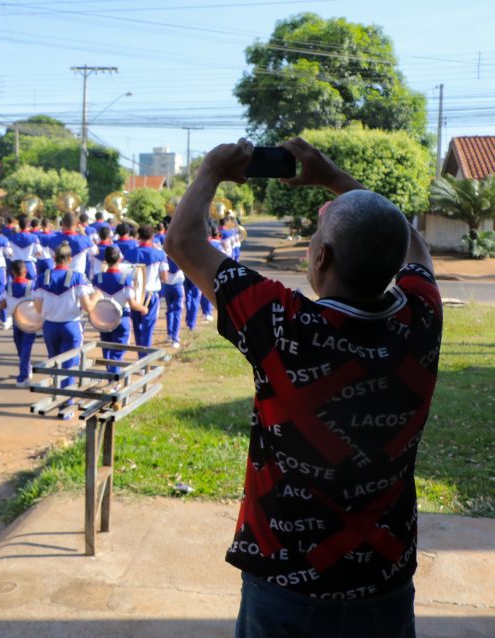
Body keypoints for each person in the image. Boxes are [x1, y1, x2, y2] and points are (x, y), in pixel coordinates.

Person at [165, 137, 442, 637]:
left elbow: (184, 243)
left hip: (287, 581)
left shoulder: (283, 323)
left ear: (320, 259)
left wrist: (210, 170)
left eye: (316, 235)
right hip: (387, 577)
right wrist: (336, 178)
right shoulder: (423, 316)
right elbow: (413, 245)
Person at [32, 242, 103, 416]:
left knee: (55, 364)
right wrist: (97, 297)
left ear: (54, 258)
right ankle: (66, 406)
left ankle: (57, 397)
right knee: (69, 367)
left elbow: (38, 307)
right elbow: (87, 307)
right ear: (70, 259)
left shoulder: (42, 278)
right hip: (71, 325)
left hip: (50, 326)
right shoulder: (77, 277)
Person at [91, 246, 148, 373]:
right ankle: (113, 379)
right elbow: (132, 303)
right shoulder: (125, 279)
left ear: (105, 259)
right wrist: (143, 308)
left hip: (103, 317)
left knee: (106, 347)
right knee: (118, 350)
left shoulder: (98, 278)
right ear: (120, 260)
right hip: (121, 318)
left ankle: (110, 374)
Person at [128, 224, 169, 352]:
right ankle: (145, 356)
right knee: (148, 327)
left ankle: (141, 354)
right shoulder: (159, 254)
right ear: (152, 237)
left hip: (134, 294)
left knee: (137, 326)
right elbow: (165, 277)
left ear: (138, 236)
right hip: (151, 295)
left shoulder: (129, 253)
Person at [2, 260, 37, 388]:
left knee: (20, 346)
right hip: (29, 320)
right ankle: (25, 372)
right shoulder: (31, 285)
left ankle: (23, 374)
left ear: (12, 272)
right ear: (25, 272)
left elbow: (2, 304)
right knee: (26, 347)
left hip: (16, 321)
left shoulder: (8, 286)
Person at [161, 253, 186, 349]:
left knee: (170, 310)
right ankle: (175, 338)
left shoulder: (164, 258)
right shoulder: (179, 257)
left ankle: (169, 334)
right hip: (178, 286)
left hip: (167, 286)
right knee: (177, 313)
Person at [8, 215, 40, 280]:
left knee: (15, 286)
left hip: (16, 265)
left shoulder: (11, 238)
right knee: (32, 286)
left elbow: (9, 253)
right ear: (28, 225)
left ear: (19, 225)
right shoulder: (34, 238)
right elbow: (39, 253)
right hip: (29, 265)